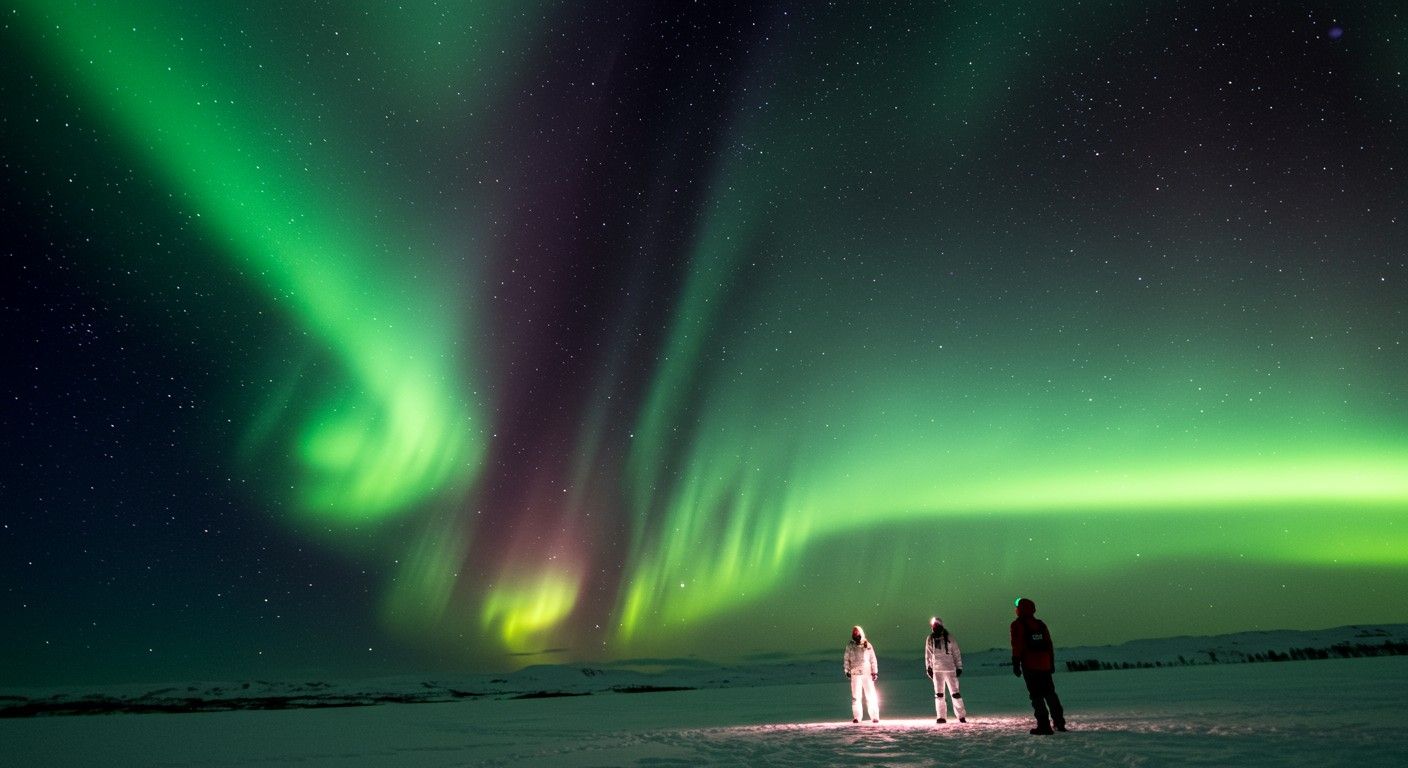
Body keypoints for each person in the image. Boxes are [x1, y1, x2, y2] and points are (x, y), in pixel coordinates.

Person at [1010, 597, 1067, 735]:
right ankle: (1059, 722)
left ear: (1020, 609)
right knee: (1050, 693)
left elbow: (1017, 645)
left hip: (1030, 664)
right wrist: (1051, 663)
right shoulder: (1040, 624)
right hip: (1045, 664)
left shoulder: (1017, 625)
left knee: (1036, 695)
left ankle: (1044, 725)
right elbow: (1049, 644)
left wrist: (1016, 663)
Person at [924, 617, 966, 723]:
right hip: (937, 671)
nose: (934, 627)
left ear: (940, 625)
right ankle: (941, 717)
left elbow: (956, 652)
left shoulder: (949, 637)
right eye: (933, 625)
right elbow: (928, 655)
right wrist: (929, 668)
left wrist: (959, 667)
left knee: (955, 694)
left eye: (936, 625)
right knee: (939, 695)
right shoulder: (930, 639)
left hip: (950, 670)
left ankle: (961, 716)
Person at [843, 625, 880, 723]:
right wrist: (847, 670)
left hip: (867, 673)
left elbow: (873, 659)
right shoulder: (850, 646)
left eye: (856, 631)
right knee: (856, 696)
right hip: (855, 673)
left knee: (871, 695)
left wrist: (874, 671)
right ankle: (857, 717)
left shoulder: (867, 645)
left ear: (861, 632)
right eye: (853, 632)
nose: (855, 633)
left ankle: (875, 716)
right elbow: (846, 659)